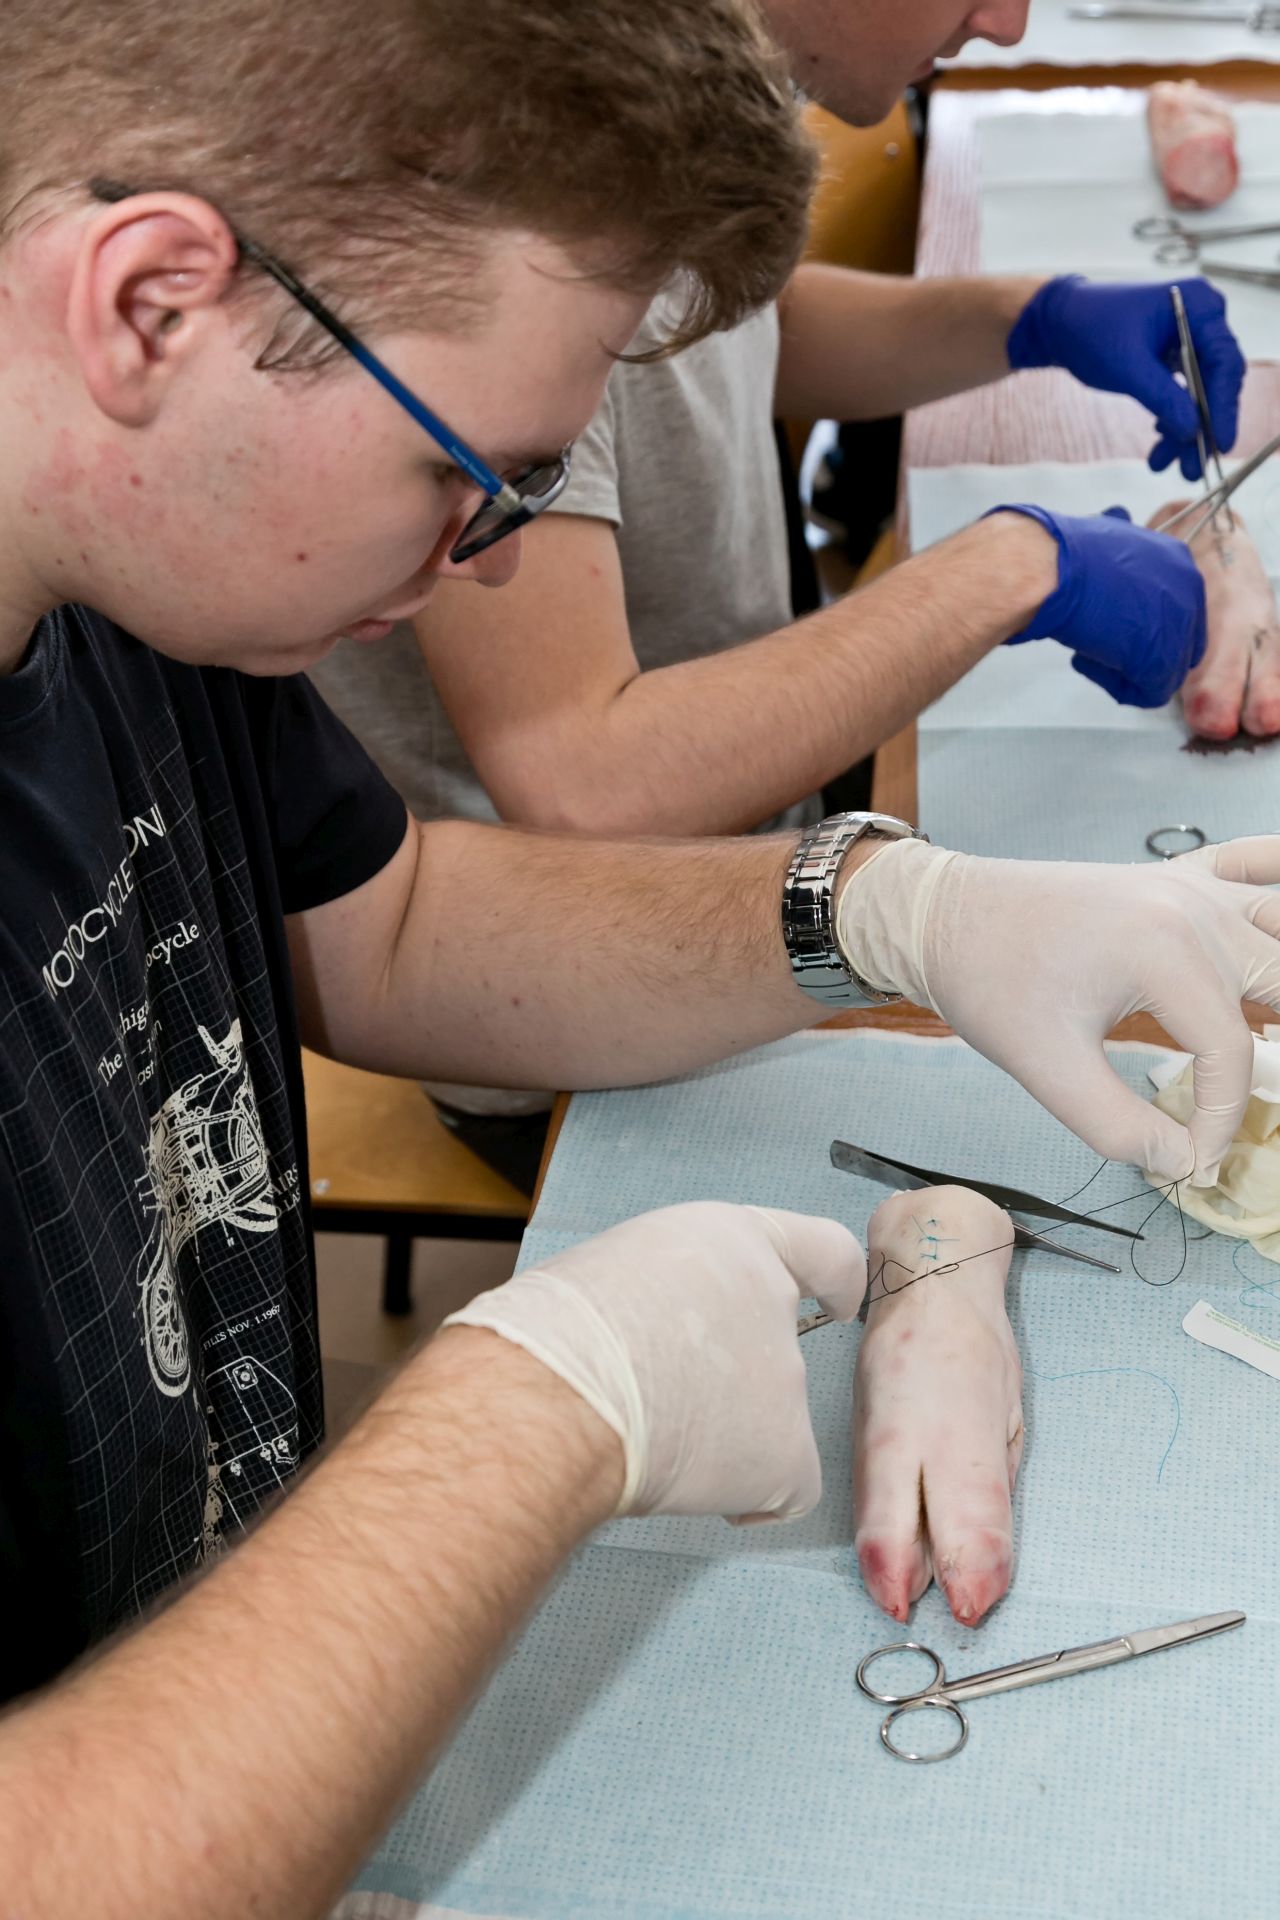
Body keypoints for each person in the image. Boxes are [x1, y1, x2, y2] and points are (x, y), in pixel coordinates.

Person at [0, 4, 1277, 1914]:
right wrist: (532, 1414)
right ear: (152, 304)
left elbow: (395, 923)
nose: (485, 560)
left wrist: (877, 907)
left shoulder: (134, 599)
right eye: (465, 471)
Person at [311, 0, 1255, 1190]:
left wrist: (1025, 320)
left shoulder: (668, 91)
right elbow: (583, 782)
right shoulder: (505, 194)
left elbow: (732, 336)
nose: (1009, 23)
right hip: (580, 1003)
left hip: (768, 864)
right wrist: (1013, 566)